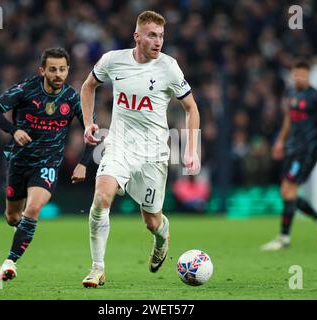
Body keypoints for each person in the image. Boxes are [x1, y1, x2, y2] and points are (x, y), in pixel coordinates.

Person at [80, 11, 201, 287]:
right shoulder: (113, 60)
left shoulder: (169, 68)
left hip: (153, 153)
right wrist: (89, 123)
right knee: (101, 197)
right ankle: (97, 268)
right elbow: (88, 87)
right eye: (151, 35)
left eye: (161, 36)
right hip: (119, 144)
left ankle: (162, 235)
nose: (158, 41)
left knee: (151, 221)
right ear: (137, 36)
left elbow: (191, 108)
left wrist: (191, 150)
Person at [0, 47, 95, 281]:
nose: (58, 74)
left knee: (33, 208)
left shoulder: (71, 98)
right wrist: (13, 130)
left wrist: (83, 163)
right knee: (13, 217)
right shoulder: (26, 90)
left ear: (68, 70)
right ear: (42, 70)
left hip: (48, 163)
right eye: (53, 69)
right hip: (19, 161)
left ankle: (10, 262)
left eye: (63, 69)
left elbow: (91, 132)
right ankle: (22, 231)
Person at [261, 60, 317, 251]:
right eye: (296, 74)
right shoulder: (291, 92)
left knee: (288, 191)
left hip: (307, 151)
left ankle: (284, 238)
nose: (299, 77)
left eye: (303, 74)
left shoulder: (316, 96)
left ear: (309, 75)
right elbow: (289, 118)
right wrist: (280, 140)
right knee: (287, 192)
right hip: (292, 148)